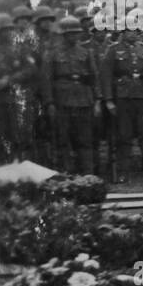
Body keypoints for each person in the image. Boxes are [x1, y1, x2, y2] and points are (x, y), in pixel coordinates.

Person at [99, 18, 143, 179]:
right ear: (123, 32)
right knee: (124, 135)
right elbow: (106, 77)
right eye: (129, 31)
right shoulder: (113, 50)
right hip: (123, 97)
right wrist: (109, 100)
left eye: (135, 31)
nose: (132, 34)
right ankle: (123, 171)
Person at [40, 17, 99, 174]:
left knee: (85, 139)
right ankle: (65, 173)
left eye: (76, 33)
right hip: (61, 101)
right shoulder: (51, 54)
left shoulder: (86, 52)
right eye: (70, 34)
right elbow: (46, 79)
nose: (74, 36)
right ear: (63, 35)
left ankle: (87, 174)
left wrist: (97, 100)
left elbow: (94, 77)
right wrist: (49, 103)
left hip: (83, 100)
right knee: (62, 140)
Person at [0, 13, 39, 163]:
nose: (7, 32)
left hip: (19, 97)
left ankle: (22, 166)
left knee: (20, 134)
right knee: (0, 133)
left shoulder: (21, 48)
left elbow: (31, 69)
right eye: (3, 30)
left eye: (9, 29)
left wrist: (10, 80)